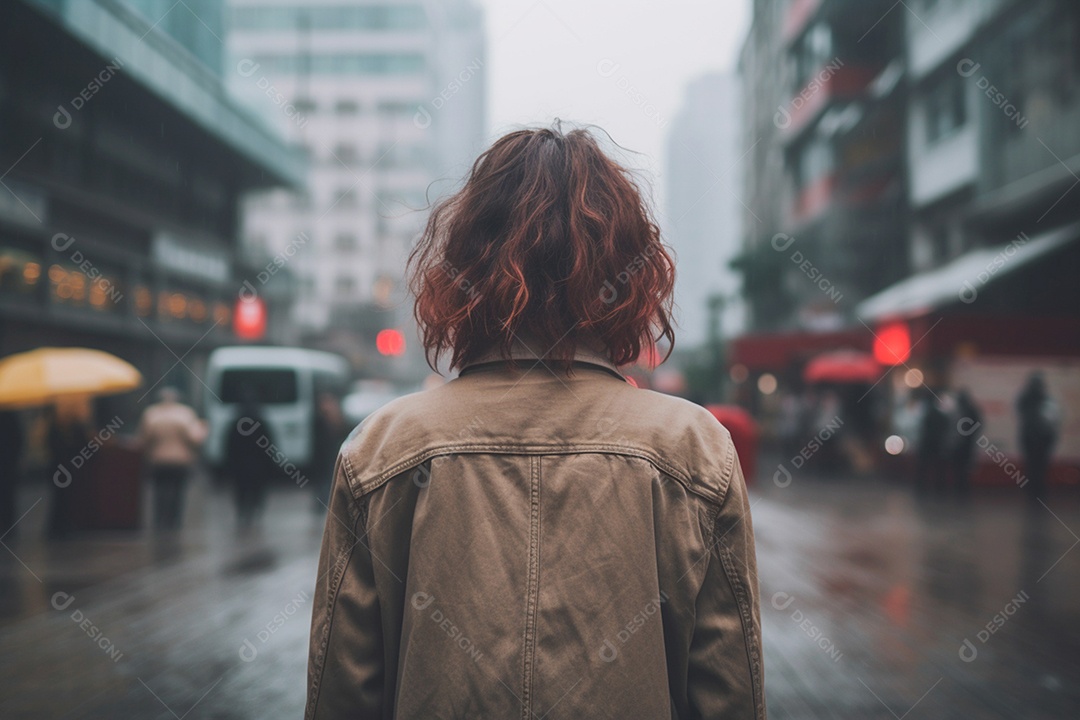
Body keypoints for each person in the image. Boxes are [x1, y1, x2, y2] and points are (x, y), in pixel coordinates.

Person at [306, 126, 765, 718]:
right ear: (628, 271)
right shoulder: (694, 450)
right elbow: (728, 691)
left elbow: (343, 690)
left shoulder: (383, 449)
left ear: (465, 263)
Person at [138, 387, 206, 530]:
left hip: (158, 459)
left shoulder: (151, 414)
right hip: (180, 460)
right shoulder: (186, 414)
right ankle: (174, 521)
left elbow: (144, 438)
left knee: (158, 491)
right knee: (178, 492)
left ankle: (159, 519)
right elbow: (195, 439)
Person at [225, 398, 278, 528]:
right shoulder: (262, 423)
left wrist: (229, 465)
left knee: (241, 491)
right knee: (257, 491)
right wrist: (271, 463)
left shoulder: (236, 423)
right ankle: (254, 513)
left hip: (240, 466)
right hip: (259, 466)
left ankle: (242, 514)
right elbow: (270, 446)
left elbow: (229, 447)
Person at [46, 396, 93, 539]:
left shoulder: (55, 427)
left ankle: (59, 526)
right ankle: (61, 526)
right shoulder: (70, 427)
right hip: (67, 468)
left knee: (62, 497)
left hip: (61, 467)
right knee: (64, 497)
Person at [1016, 372, 1060, 503]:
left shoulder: (1025, 399)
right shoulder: (1045, 399)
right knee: (1039, 465)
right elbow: (1053, 419)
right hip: (1041, 437)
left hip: (1031, 437)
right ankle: (1037, 488)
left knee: (1032, 464)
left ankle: (1033, 489)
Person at [310, 391, 348, 512]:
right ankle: (321, 505)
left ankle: (326, 504)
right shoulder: (319, 419)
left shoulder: (335, 418)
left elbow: (341, 435)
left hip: (331, 455)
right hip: (322, 457)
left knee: (328, 481)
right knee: (323, 482)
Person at [948, 389, 982, 497]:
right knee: (964, 468)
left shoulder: (957, 411)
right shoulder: (972, 410)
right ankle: (963, 487)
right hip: (967, 444)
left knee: (959, 468)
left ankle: (960, 487)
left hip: (960, 444)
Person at [914, 387, 948, 494]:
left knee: (924, 467)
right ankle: (939, 487)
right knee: (938, 468)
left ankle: (922, 486)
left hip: (928, 444)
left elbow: (922, 429)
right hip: (937, 444)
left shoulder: (926, 415)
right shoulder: (941, 416)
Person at [0, 410, 24, 535]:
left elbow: (17, 440)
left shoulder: (9, 416)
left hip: (7, 465)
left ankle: (8, 526)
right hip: (8, 464)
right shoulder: (9, 416)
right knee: (8, 497)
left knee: (7, 497)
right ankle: (8, 526)